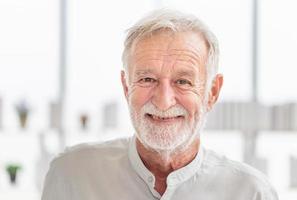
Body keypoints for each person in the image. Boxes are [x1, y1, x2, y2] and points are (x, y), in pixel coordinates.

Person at [42, 9, 278, 200]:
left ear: (212, 92)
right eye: (147, 79)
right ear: (126, 87)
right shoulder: (71, 175)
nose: (164, 101)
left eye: (183, 81)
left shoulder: (252, 192)